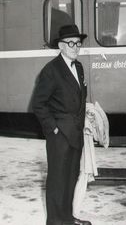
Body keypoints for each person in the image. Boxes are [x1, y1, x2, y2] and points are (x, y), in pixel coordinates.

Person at [32, 24, 92, 225]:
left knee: (70, 178)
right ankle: (56, 222)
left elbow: (80, 100)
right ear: (61, 45)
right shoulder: (51, 70)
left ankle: (67, 218)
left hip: (76, 134)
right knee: (57, 181)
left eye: (78, 43)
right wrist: (53, 129)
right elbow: (38, 104)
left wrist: (85, 123)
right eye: (71, 43)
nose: (75, 47)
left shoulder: (80, 67)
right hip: (60, 136)